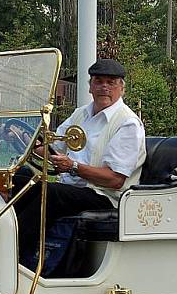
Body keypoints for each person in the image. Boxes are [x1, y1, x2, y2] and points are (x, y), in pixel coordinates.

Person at [12, 58, 146, 261]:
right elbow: (54, 149)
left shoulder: (127, 124)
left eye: (111, 83)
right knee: (19, 179)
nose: (104, 87)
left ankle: (16, 256)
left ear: (121, 88)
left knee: (51, 193)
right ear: (90, 86)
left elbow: (115, 180)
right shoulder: (81, 114)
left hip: (106, 196)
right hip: (74, 189)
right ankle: (3, 243)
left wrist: (73, 166)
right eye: (98, 81)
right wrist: (22, 140)